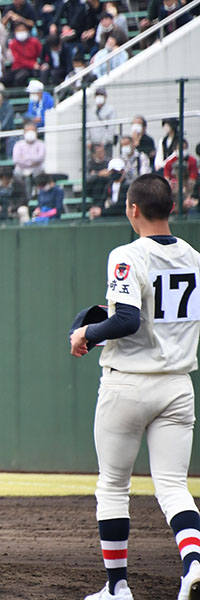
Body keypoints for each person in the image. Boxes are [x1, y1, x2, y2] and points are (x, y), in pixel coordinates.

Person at [69, 174, 200, 600]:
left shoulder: (128, 254)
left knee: (112, 485)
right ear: (172, 209)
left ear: (132, 209)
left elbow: (125, 320)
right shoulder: (195, 258)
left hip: (129, 384)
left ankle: (117, 586)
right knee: (174, 486)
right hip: (178, 385)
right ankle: (194, 562)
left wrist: (87, 332)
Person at [3, 23, 41, 89]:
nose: (21, 33)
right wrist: (32, 64)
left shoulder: (35, 42)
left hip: (29, 69)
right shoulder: (13, 44)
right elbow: (18, 59)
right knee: (4, 78)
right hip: (17, 67)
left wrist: (37, 64)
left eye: (23, 30)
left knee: (19, 78)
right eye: (18, 31)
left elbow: (41, 53)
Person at [88, 87, 117, 159]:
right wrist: (88, 141)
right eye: (97, 95)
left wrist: (104, 142)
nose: (99, 97)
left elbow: (111, 127)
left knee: (106, 163)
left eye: (101, 95)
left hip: (106, 144)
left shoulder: (110, 110)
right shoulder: (91, 110)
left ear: (105, 97)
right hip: (93, 144)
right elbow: (87, 126)